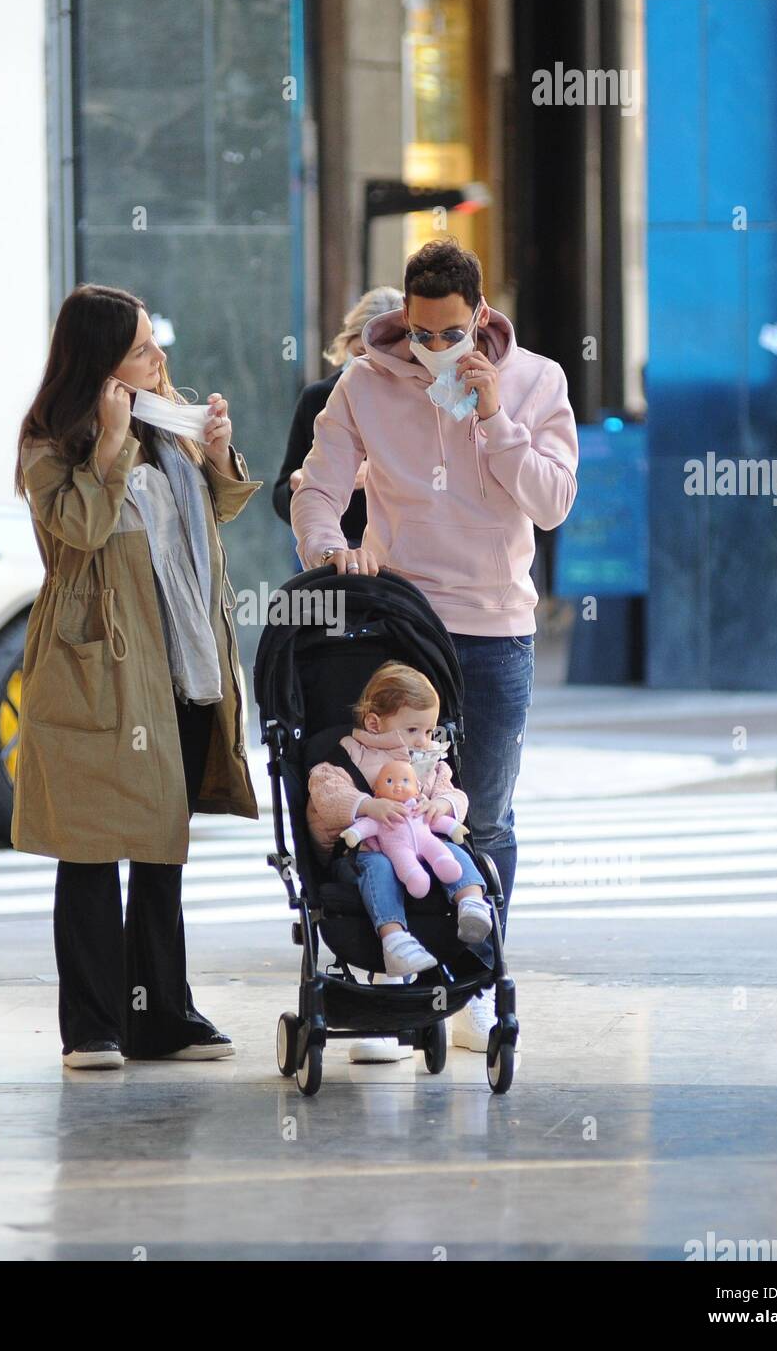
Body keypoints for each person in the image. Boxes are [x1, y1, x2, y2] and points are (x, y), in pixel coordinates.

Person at [291, 237, 578, 1055]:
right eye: (420, 332)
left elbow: (552, 503)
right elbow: (316, 484)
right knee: (390, 806)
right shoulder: (363, 384)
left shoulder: (537, 380)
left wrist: (495, 417)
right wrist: (327, 553)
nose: (433, 348)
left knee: (479, 816)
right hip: (400, 623)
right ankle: (399, 976)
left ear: (480, 319)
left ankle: (477, 985)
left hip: (494, 629)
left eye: (450, 333)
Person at [11, 283, 261, 1070]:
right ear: (101, 367)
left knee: (161, 843)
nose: (161, 360)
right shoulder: (51, 442)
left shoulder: (166, 422)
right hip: (98, 666)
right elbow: (81, 529)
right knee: (88, 844)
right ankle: (91, 1025)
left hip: (180, 659)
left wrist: (216, 454)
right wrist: (110, 445)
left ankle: (162, 1015)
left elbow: (208, 517)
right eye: (143, 350)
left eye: (157, 343)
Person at [307, 662, 496, 982]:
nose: (423, 741)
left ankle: (471, 904)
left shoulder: (427, 761)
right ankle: (394, 939)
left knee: (455, 852)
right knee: (380, 868)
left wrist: (441, 805)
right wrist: (367, 805)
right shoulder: (350, 755)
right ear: (374, 723)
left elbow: (455, 794)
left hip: (422, 849)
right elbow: (325, 791)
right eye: (412, 731)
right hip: (366, 852)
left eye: (428, 730)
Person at [272, 287, 404, 561]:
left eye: (381, 356)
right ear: (346, 343)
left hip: (394, 556)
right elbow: (281, 492)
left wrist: (378, 473)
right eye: (361, 353)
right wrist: (300, 485)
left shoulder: (410, 400)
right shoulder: (318, 397)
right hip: (330, 551)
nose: (369, 366)